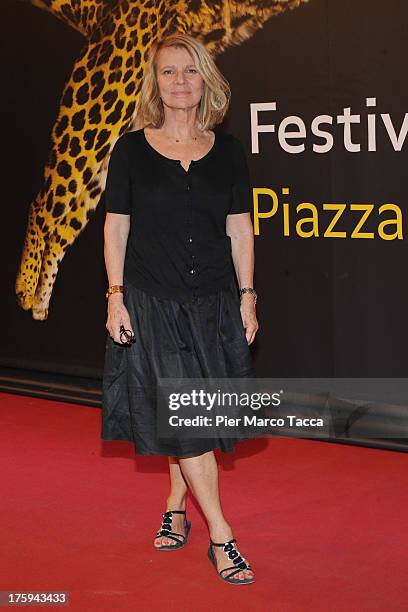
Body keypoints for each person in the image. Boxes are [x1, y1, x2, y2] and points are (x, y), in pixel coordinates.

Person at [102, 32, 259, 585]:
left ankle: (176, 499)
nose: (180, 82)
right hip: (152, 302)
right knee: (189, 421)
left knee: (195, 415)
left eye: (189, 71)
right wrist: (115, 297)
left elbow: (239, 228)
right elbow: (116, 227)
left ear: (205, 80)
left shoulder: (230, 151)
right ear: (155, 83)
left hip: (214, 302)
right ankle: (222, 535)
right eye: (168, 72)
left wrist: (247, 295)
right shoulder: (131, 148)